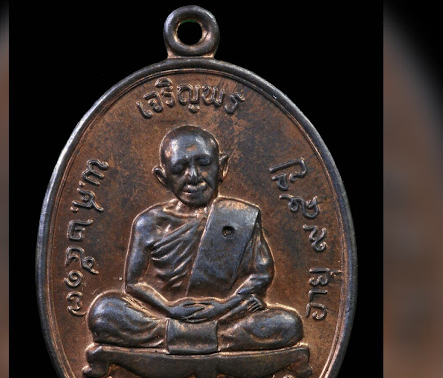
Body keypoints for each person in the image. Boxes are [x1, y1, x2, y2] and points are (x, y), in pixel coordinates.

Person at [87, 125, 303, 354]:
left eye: (204, 163)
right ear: (163, 177)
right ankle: (215, 339)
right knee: (104, 312)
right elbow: (133, 283)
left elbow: (261, 274)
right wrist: (169, 308)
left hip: (225, 315)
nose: (193, 176)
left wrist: (224, 306)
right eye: (179, 169)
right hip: (167, 316)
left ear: (222, 167)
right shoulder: (148, 223)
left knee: (288, 323)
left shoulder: (241, 217)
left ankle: (179, 338)